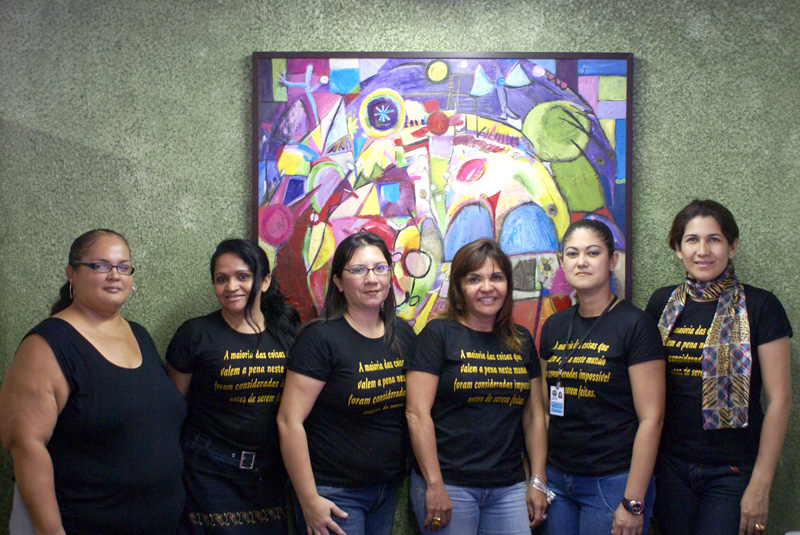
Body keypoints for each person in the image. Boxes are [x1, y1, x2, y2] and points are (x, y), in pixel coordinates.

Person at [0, 229, 186, 535]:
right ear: (71, 273)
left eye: (123, 267)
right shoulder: (48, 344)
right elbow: (25, 445)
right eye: (100, 265)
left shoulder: (139, 335)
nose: (115, 275)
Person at [645, 200, 792, 535]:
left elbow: (779, 401)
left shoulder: (761, 306)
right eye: (692, 240)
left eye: (714, 239)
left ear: (732, 246)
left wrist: (761, 484)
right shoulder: (661, 304)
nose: (703, 251)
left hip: (732, 471)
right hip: (669, 467)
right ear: (678, 249)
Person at [405, 238, 549, 535]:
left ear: (508, 284)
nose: (487, 287)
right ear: (459, 286)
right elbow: (417, 414)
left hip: (508, 486)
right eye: (474, 279)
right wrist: (434, 485)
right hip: (450, 484)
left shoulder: (521, 340)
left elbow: (535, 416)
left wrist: (537, 480)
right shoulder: (438, 334)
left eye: (496, 277)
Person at [276, 231, 416, 535]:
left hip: (386, 490)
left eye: (380, 268)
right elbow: (289, 421)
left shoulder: (402, 335)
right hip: (334, 494)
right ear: (338, 282)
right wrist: (308, 499)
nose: (372, 279)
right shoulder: (319, 339)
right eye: (358, 270)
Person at [538, 219, 665, 535]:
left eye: (592, 252)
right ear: (562, 261)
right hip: (558, 480)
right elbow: (544, 409)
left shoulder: (636, 325)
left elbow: (652, 419)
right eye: (572, 253)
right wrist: (539, 478)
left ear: (612, 261)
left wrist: (633, 501)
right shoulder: (554, 326)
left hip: (612, 482)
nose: (581, 261)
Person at [166, 239, 300, 535]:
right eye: (221, 279)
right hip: (208, 471)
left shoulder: (287, 333)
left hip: (270, 472)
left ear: (264, 281)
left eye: (242, 276)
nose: (231, 287)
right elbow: (172, 409)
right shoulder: (195, 334)